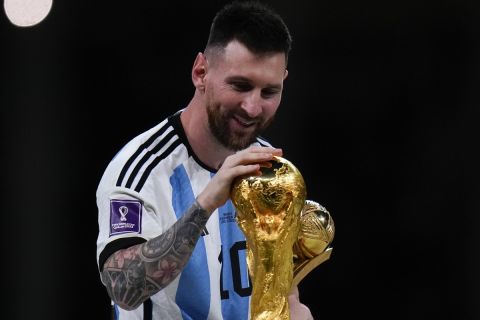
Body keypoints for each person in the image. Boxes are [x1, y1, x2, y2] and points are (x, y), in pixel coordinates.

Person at [96, 1, 314, 319]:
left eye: (269, 92)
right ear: (201, 72)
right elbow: (123, 288)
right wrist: (205, 204)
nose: (253, 107)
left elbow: (280, 287)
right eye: (240, 86)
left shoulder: (271, 171)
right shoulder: (140, 170)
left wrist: (294, 309)